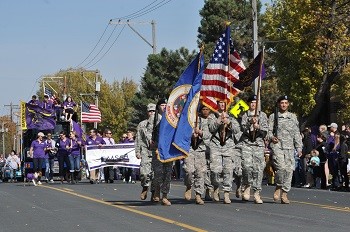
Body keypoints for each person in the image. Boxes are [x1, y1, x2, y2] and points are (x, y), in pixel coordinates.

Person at [268, 95, 302, 204]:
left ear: (288, 104)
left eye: (286, 103)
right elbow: (268, 131)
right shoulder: (274, 116)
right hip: (278, 145)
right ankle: (278, 185)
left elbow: (296, 133)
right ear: (279, 104)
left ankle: (285, 193)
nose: (284, 105)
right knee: (281, 168)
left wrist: (299, 147)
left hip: (289, 147)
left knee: (289, 170)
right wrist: (271, 137)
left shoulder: (292, 117)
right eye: (282, 103)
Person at [207, 100, 241, 204]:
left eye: (224, 103)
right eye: (220, 102)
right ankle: (216, 187)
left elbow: (237, 130)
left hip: (228, 145)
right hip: (216, 144)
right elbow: (211, 128)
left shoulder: (231, 115)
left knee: (228, 170)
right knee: (215, 170)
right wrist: (218, 121)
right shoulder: (212, 116)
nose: (222, 105)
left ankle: (226, 193)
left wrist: (229, 122)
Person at [240, 95, 269, 204]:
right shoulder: (245, 115)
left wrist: (258, 126)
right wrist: (249, 122)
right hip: (247, 144)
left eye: (255, 102)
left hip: (258, 144)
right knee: (247, 167)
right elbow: (242, 128)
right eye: (251, 102)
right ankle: (247, 185)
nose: (253, 104)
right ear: (248, 104)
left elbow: (266, 130)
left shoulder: (263, 115)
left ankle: (256, 192)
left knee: (258, 169)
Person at [183, 105, 211, 205]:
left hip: (200, 150)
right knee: (189, 171)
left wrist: (200, 132)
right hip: (189, 149)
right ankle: (189, 186)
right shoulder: (187, 121)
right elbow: (181, 134)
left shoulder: (204, 122)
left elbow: (208, 136)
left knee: (200, 173)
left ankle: (198, 195)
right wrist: (191, 134)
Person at [152, 98, 173, 206]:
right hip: (157, 149)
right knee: (158, 172)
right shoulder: (154, 119)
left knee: (168, 173)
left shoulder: (171, 118)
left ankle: (165, 195)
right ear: (158, 107)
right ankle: (156, 190)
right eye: (162, 105)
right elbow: (150, 134)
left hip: (169, 149)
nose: (164, 107)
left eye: (166, 105)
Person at [135, 103, 157, 201]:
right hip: (145, 151)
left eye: (153, 111)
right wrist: (137, 152)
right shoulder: (142, 124)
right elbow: (138, 139)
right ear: (147, 112)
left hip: (156, 152)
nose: (152, 113)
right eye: (150, 111)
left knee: (155, 174)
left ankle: (154, 193)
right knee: (144, 173)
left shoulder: (160, 123)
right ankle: (145, 187)